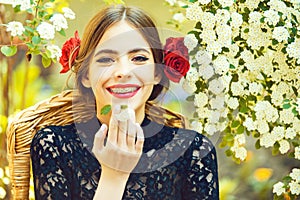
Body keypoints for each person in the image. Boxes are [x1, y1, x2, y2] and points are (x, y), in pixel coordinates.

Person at [30, 5, 219, 200]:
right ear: (86, 75)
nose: (124, 71)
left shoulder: (194, 151)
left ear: (156, 73)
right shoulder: (53, 145)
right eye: (105, 59)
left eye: (138, 58)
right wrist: (114, 176)